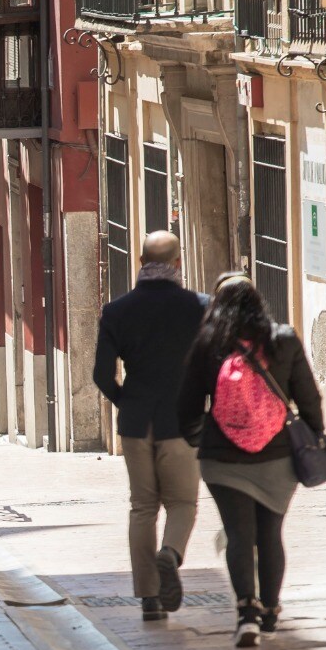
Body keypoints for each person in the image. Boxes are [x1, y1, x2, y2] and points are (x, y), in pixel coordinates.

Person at [177, 274, 325, 648]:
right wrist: (313, 436)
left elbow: (187, 408)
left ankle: (247, 612)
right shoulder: (283, 340)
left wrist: (203, 439)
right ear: (258, 302)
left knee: (239, 534)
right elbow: (308, 398)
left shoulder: (208, 343)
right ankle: (272, 610)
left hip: (223, 459)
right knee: (270, 534)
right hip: (277, 457)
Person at [93, 231, 209, 622]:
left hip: (136, 421)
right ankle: (170, 554)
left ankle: (149, 598)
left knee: (142, 507)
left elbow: (101, 375)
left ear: (140, 263)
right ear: (178, 264)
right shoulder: (198, 307)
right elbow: (212, 366)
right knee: (182, 503)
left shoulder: (117, 311)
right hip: (181, 420)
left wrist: (126, 401)